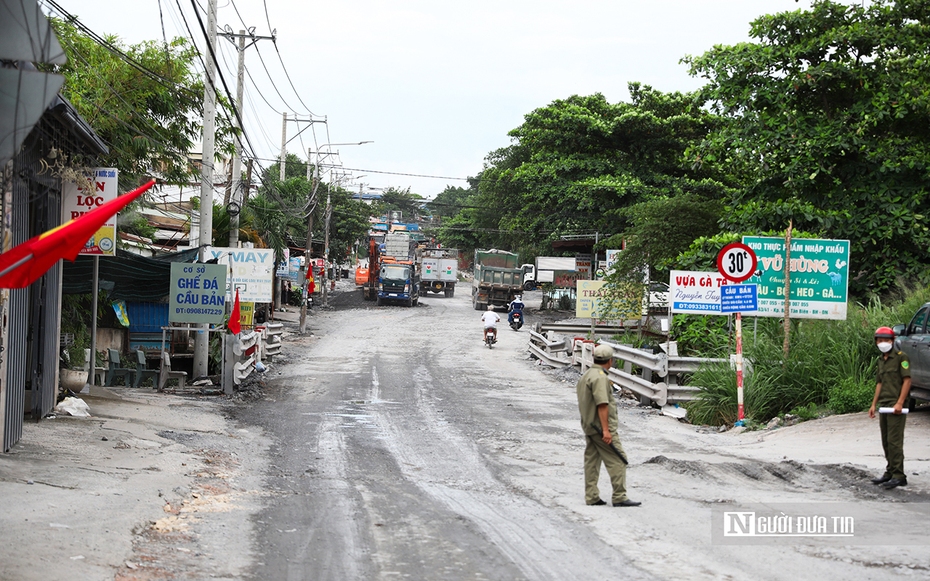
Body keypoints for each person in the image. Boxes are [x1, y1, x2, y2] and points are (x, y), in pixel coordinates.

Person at [576, 344, 641, 507]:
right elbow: (602, 405)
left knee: (592, 460)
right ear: (610, 361)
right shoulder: (600, 377)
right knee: (619, 458)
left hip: (589, 425)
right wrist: (606, 430)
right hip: (600, 427)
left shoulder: (587, 375)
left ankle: (592, 496)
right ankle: (619, 496)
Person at [869, 326, 911, 489]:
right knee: (886, 440)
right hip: (884, 404)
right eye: (880, 340)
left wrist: (900, 402)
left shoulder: (901, 357)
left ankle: (899, 475)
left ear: (893, 341)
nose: (883, 343)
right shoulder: (881, 360)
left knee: (894, 441)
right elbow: (879, 383)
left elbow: (907, 381)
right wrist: (873, 404)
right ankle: (890, 472)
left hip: (896, 405)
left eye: (886, 340)